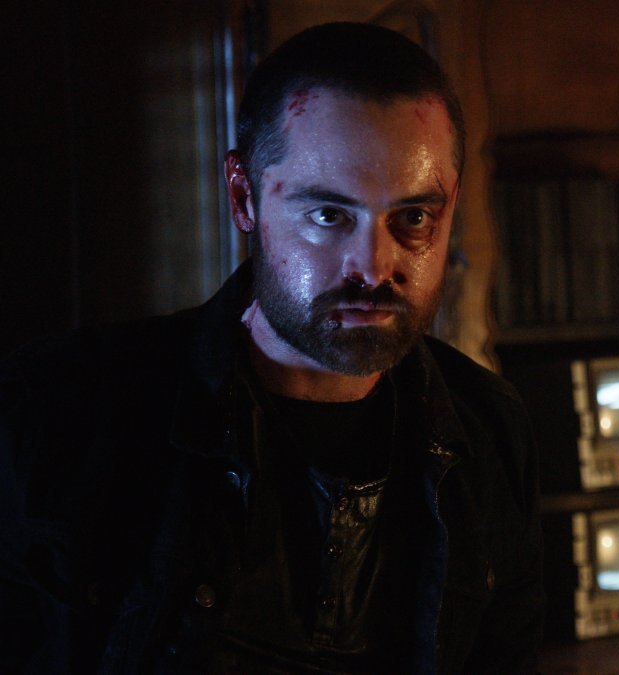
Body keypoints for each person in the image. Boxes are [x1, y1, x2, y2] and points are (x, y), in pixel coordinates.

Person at [0, 22, 543, 674]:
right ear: (243, 196)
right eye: (328, 215)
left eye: (413, 218)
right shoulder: (57, 418)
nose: (374, 267)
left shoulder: (489, 432)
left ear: (450, 205)